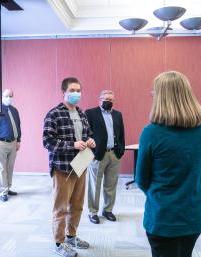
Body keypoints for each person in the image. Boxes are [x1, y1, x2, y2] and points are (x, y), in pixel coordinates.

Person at [135, 71, 201, 257]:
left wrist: (163, 194)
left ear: (161, 97)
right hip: (194, 215)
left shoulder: (151, 132)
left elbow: (141, 179)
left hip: (163, 217)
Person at [43, 77, 96, 257]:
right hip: (62, 167)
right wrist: (72, 145)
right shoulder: (54, 114)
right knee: (61, 207)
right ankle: (59, 242)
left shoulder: (82, 113)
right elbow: (47, 141)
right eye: (72, 90)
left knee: (78, 205)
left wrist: (90, 140)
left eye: (79, 90)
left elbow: (88, 134)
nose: (76, 94)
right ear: (63, 92)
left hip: (81, 164)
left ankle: (71, 236)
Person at [85, 90, 125, 224]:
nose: (108, 101)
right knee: (94, 185)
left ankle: (108, 210)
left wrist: (120, 150)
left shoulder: (118, 115)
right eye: (106, 98)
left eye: (111, 99)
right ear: (99, 99)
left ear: (114, 101)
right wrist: (92, 151)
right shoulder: (90, 113)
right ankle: (93, 212)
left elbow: (121, 134)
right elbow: (85, 133)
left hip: (114, 154)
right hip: (98, 155)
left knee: (111, 184)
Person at [0, 89, 21, 202]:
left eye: (11, 96)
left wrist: (18, 140)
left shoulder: (14, 110)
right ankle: (3, 191)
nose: (9, 98)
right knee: (1, 168)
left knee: (9, 167)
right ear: (1, 96)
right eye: (6, 96)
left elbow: (18, 126)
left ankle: (8, 188)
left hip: (13, 142)